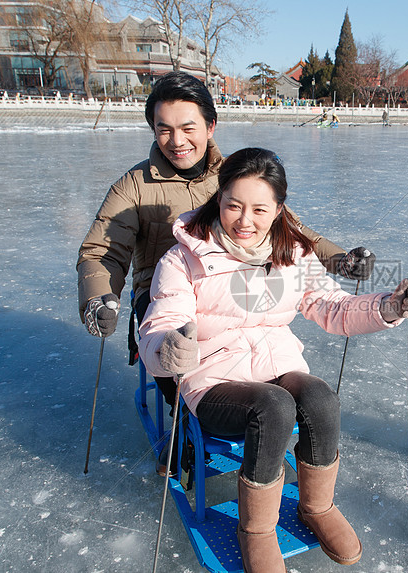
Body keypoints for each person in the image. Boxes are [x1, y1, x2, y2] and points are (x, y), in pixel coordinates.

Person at [138, 148, 408, 572]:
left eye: (258, 208)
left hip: (277, 364)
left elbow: (332, 306)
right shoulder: (183, 259)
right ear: (219, 199)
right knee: (273, 408)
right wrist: (169, 348)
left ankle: (317, 506)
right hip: (212, 379)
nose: (244, 220)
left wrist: (390, 307)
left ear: (278, 210)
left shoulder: (294, 253)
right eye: (233, 205)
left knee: (319, 398)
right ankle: (255, 529)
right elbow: (162, 322)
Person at [76, 72, 375, 459]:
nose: (177, 141)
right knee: (177, 350)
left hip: (236, 282)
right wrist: (99, 298)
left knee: (263, 341)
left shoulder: (235, 174)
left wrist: (340, 260)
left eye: (188, 127)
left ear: (210, 125)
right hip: (163, 293)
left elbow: (292, 231)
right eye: (164, 129)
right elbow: (103, 251)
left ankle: (260, 405)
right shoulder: (133, 186)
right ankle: (188, 418)